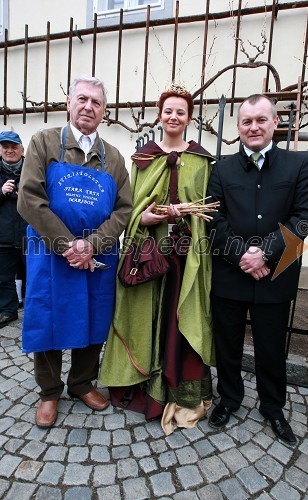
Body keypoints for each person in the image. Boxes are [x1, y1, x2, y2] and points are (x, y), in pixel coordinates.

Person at [99, 82, 215, 435]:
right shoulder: (143, 159)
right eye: (168, 111)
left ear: (190, 118)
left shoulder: (201, 159)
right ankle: (141, 385)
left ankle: (177, 388)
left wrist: (186, 215)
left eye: (181, 111)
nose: (174, 117)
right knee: (146, 316)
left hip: (186, 257)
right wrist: (145, 219)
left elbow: (210, 206)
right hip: (149, 254)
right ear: (159, 115)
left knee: (178, 318)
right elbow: (131, 208)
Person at [17, 76, 132, 428]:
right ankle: (49, 392)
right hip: (51, 253)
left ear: (104, 111)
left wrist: (91, 246)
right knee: (48, 317)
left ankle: (81, 383)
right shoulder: (44, 142)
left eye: (96, 103)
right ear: (69, 103)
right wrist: (69, 246)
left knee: (93, 317)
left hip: (97, 258)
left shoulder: (113, 158)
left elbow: (124, 210)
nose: (88, 107)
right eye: (82, 99)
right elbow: (29, 199)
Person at [206, 94, 308, 445]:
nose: (253, 127)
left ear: (274, 123)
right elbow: (213, 220)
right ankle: (230, 399)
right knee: (228, 344)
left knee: (270, 346)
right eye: (247, 121)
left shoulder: (297, 166)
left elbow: (303, 219)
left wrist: (265, 253)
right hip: (230, 271)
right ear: (238, 127)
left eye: (261, 120)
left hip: (276, 273)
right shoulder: (220, 169)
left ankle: (273, 407)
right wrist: (242, 255)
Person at [0, 131, 26, 328]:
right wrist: (1, 192)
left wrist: (22, 195)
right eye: (5, 147)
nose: (10, 150)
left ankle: (32, 308)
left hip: (29, 234)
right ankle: (9, 310)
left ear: (21, 150)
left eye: (13, 147)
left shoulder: (32, 169)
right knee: (3, 276)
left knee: (33, 274)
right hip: (4, 235)